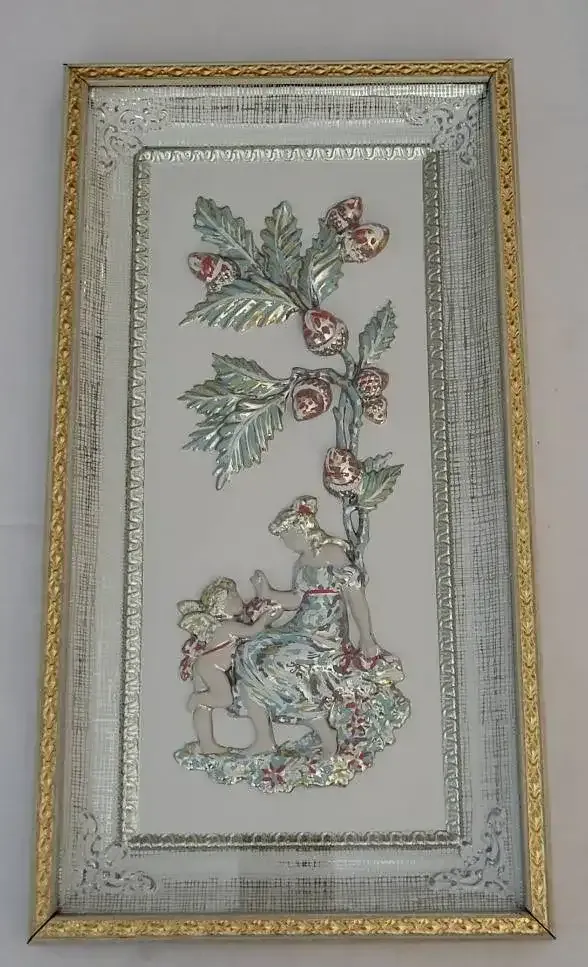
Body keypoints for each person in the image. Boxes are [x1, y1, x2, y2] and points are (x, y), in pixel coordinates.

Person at [232, 496, 405, 759]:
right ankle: (265, 739)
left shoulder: (333, 554)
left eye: (287, 538)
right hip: (300, 629)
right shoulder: (302, 563)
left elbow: (355, 599)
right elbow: (297, 599)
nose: (287, 544)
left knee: (278, 664)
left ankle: (324, 733)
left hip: (324, 636)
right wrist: (267, 592)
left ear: (302, 530)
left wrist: (367, 637)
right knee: (248, 652)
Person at [177, 578, 281, 753]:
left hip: (203, 665)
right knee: (225, 699)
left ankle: (206, 744)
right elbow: (253, 631)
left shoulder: (220, 626)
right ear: (222, 606)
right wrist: (266, 617)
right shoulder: (228, 626)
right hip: (212, 667)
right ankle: (197, 699)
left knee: (205, 708)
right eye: (234, 597)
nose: (240, 599)